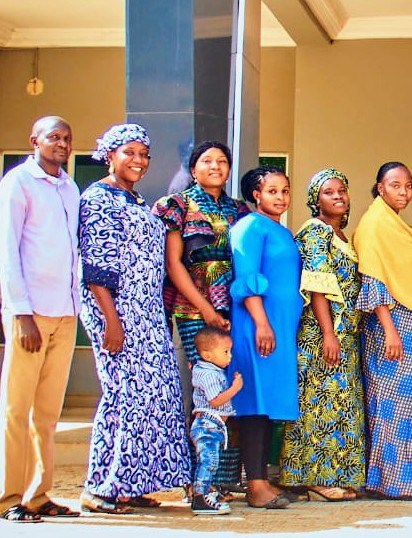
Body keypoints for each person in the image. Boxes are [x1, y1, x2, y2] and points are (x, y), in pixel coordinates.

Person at [78, 124, 191, 514]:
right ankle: (100, 487)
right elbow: (97, 268)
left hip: (146, 313)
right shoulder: (98, 199)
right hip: (116, 311)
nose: (139, 161)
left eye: (144, 154)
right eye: (130, 152)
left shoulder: (134, 200)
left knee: (152, 398)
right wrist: (112, 320)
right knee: (122, 396)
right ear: (109, 155)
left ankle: (133, 481)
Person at [152, 140, 249, 493]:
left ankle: (224, 479)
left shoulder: (239, 210)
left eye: (222, 161)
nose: (215, 166)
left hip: (234, 308)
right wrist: (206, 308)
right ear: (193, 169)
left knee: (232, 389)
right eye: (207, 161)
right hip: (195, 307)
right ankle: (199, 480)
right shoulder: (177, 205)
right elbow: (173, 263)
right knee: (206, 391)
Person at [0, 116, 82, 523]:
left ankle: (38, 494)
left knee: (47, 413)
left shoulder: (70, 187)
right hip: (30, 315)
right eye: (54, 137)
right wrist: (21, 312)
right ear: (34, 140)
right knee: (16, 409)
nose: (62, 144)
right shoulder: (18, 183)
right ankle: (7, 497)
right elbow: (7, 250)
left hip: (65, 313)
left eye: (67, 138)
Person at [355, 161, 412, 499]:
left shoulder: (396, 224)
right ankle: (392, 480)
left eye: (408, 186)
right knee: (392, 403)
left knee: (411, 401)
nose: (403, 192)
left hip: (409, 324)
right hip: (390, 324)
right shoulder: (374, 224)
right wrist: (390, 330)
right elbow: (374, 279)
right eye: (395, 185)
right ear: (380, 187)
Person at [280, 169, 365, 501]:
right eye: (329, 192)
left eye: (342, 190)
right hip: (322, 334)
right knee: (320, 406)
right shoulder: (316, 232)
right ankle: (313, 478)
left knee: (339, 405)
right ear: (316, 200)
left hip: (346, 334)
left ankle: (338, 473)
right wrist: (328, 333)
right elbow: (318, 285)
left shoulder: (340, 235)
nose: (338, 196)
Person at [229, 166, 302, 509]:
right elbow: (247, 279)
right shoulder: (250, 227)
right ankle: (255, 486)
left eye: (285, 191)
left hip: (280, 329)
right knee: (254, 404)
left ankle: (262, 480)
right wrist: (261, 323)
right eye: (272, 191)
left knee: (268, 404)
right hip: (258, 327)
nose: (281, 198)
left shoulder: (281, 231)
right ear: (256, 195)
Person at [189, 326, 241, 515]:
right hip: (207, 426)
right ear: (208, 355)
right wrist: (235, 388)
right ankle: (200, 497)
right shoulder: (208, 374)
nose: (230, 356)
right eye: (225, 352)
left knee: (210, 461)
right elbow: (215, 400)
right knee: (208, 461)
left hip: (213, 426)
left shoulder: (211, 370)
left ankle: (205, 493)